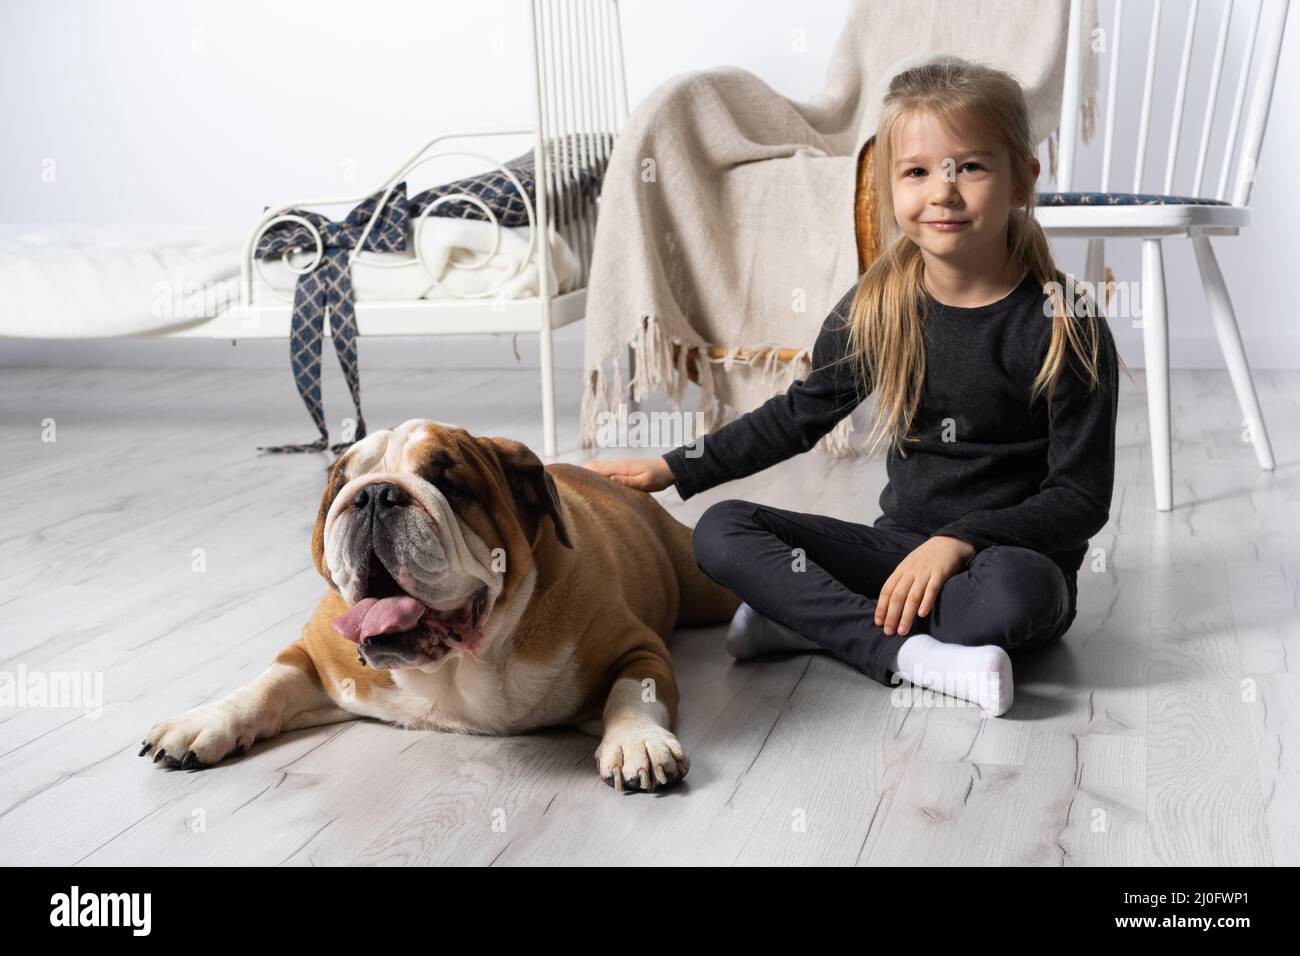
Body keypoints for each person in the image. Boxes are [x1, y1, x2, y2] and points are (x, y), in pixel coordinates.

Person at [585, 58, 1127, 717]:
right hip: (895, 558)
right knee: (723, 530)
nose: (943, 192)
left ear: (1022, 180)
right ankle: (906, 655)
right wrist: (675, 465)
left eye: (971, 167)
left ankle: (810, 623)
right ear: (887, 188)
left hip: (1002, 563)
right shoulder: (878, 305)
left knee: (1021, 596)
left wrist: (961, 540)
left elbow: (1080, 499)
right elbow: (798, 416)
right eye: (918, 171)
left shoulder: (1064, 325)